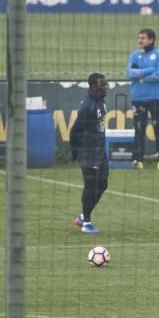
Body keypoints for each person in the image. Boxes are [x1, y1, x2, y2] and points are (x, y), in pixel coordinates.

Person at [70, 73, 109, 234]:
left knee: (103, 184)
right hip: (89, 151)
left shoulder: (101, 100)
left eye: (106, 84)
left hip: (100, 149)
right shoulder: (88, 106)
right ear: (93, 87)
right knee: (90, 186)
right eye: (103, 84)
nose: (106, 87)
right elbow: (74, 131)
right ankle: (86, 222)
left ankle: (82, 215)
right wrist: (76, 152)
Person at [126, 28, 159, 169]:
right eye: (139, 38)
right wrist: (149, 71)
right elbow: (131, 73)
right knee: (139, 130)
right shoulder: (134, 56)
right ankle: (137, 160)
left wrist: (141, 77)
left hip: (156, 97)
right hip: (138, 98)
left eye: (143, 38)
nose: (140, 41)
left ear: (151, 39)